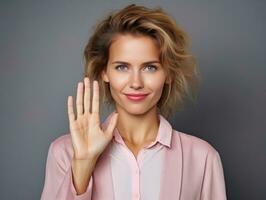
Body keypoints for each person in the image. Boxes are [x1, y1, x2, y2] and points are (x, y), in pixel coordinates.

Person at [40, 4, 227, 200]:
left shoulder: (202, 158)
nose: (136, 83)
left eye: (150, 68)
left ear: (168, 73)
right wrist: (82, 165)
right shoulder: (64, 152)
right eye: (122, 67)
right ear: (105, 72)